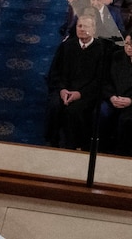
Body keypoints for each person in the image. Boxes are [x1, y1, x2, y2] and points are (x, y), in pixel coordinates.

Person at [45, 16, 111, 149]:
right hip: (64, 90)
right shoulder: (67, 46)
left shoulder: (102, 50)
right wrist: (62, 89)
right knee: (54, 105)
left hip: (86, 94)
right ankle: (53, 143)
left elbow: (100, 79)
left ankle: (74, 146)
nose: (82, 29)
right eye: (79, 26)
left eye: (86, 26)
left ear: (94, 30)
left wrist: (80, 94)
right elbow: (55, 72)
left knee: (74, 111)